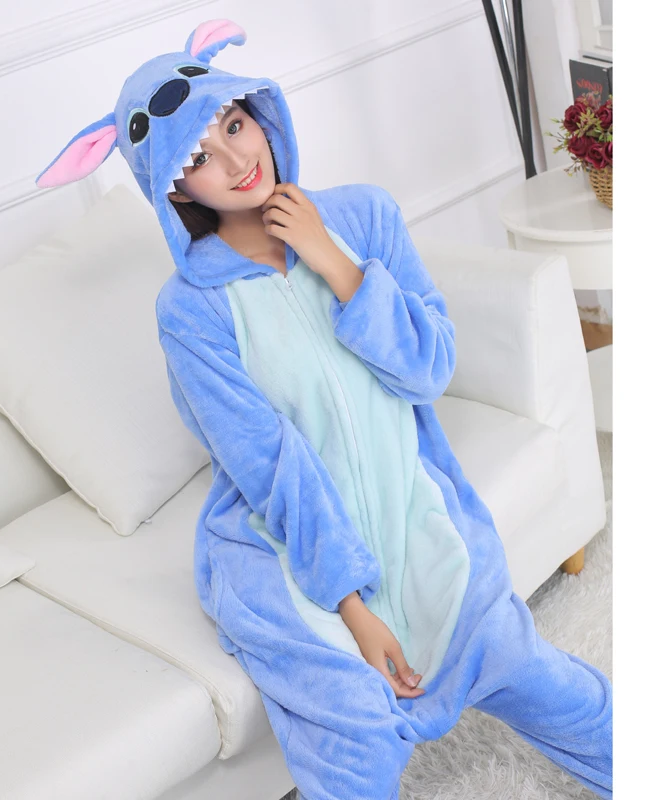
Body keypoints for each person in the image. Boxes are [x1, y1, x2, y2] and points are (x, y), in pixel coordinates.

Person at [35, 19, 613, 800]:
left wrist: (333, 260)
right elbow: (267, 463)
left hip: (410, 502)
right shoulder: (191, 310)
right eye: (198, 158)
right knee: (353, 733)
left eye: (234, 125)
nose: (236, 160)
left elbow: (429, 369)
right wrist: (351, 606)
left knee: (524, 666)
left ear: (260, 114)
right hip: (283, 545)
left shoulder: (363, 218)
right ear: (175, 189)